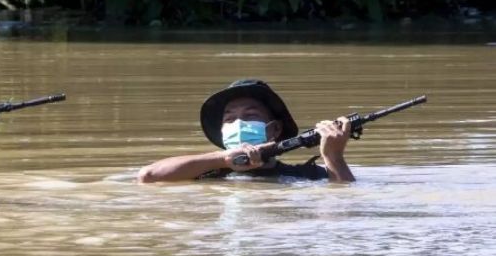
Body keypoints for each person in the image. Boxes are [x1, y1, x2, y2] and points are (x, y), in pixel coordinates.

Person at [137, 79, 355, 183]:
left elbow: (343, 207)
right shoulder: (204, 173)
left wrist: (334, 157)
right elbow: (147, 176)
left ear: (276, 129)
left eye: (251, 116)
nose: (239, 124)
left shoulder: (306, 175)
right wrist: (222, 159)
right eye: (230, 119)